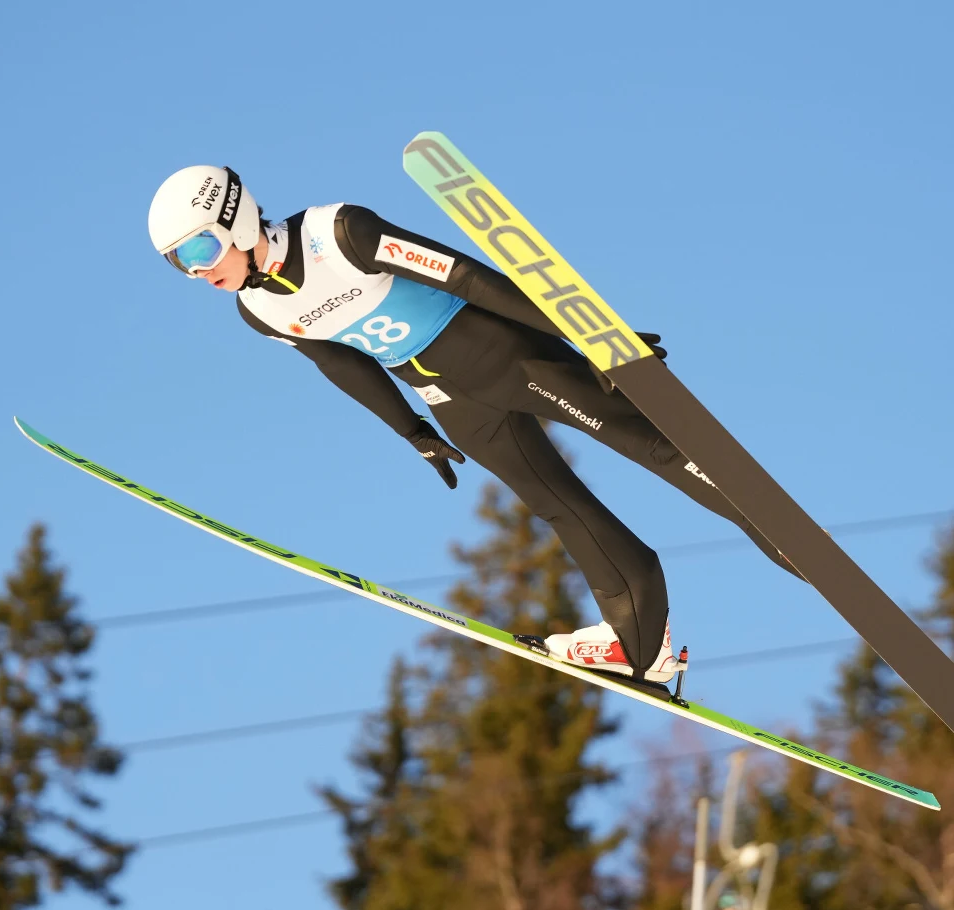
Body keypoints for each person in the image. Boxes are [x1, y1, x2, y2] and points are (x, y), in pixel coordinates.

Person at [146, 165, 803, 687]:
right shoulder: (257, 311)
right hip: (452, 401)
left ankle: (784, 532)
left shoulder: (339, 232)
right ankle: (638, 641)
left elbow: (467, 275)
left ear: (233, 216)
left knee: (647, 444)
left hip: (506, 354)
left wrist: (590, 334)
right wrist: (411, 429)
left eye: (199, 248)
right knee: (560, 507)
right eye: (179, 263)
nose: (198, 270)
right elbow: (339, 363)